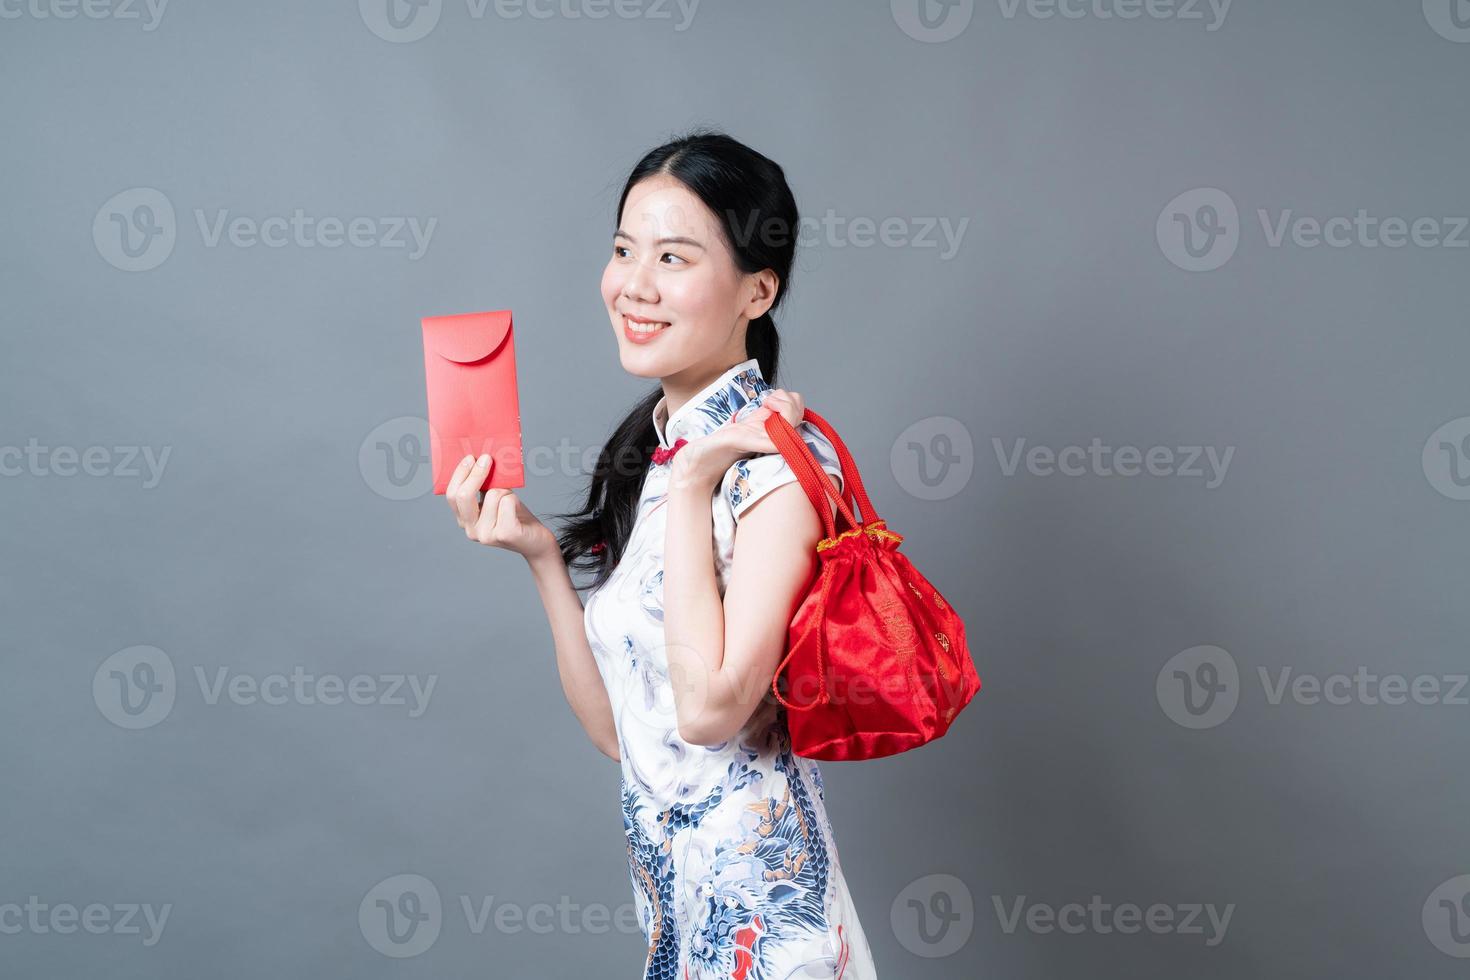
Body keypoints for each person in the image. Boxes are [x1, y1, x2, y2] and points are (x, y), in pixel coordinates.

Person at [444, 129, 878, 978]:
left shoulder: (771, 468)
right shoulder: (671, 454)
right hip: (682, 920)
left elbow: (711, 710)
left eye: (674, 257)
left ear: (759, 290)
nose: (634, 285)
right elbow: (624, 733)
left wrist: (691, 486)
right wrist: (540, 557)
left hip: (769, 936)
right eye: (623, 250)